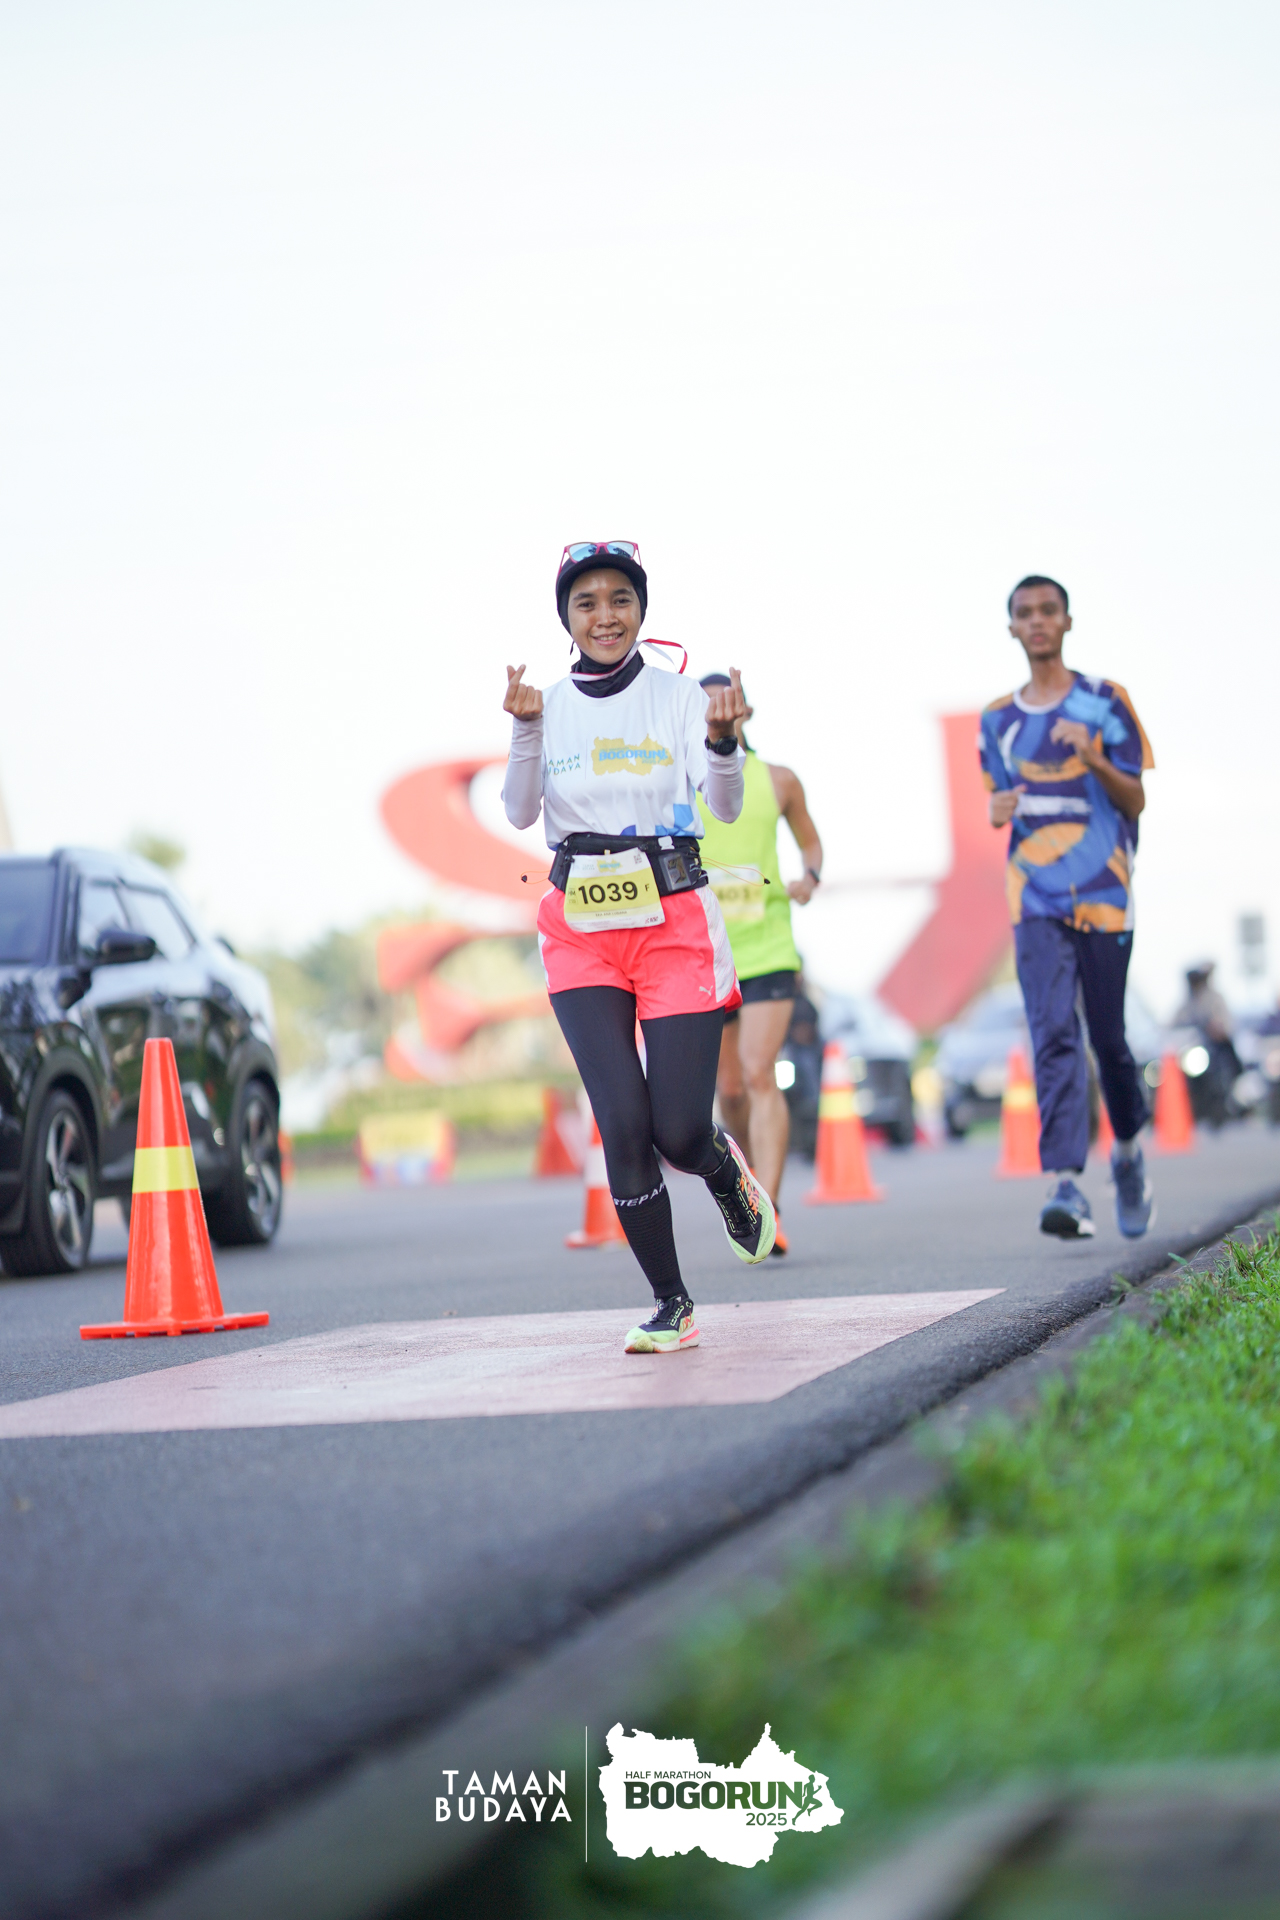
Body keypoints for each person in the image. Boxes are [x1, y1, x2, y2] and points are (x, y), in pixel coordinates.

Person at [502, 541, 776, 1354]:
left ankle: (722, 1170)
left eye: (620, 599)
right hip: (580, 932)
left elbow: (724, 807)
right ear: (567, 619)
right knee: (622, 1123)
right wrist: (523, 730)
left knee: (679, 1132)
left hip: (673, 925)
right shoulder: (546, 705)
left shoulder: (682, 697)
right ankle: (671, 1303)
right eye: (586, 603)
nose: (605, 616)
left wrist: (722, 743)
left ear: (641, 610)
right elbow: (520, 811)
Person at [980, 575, 1155, 1240]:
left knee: (1108, 1040)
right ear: (1012, 628)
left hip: (1105, 893)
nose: (1037, 621)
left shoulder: (1105, 701)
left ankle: (1128, 1154)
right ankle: (1065, 1185)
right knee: (1052, 1031)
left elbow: (1135, 799)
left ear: (1067, 621)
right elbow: (1000, 802)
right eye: (1025, 613)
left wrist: (1094, 760)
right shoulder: (998, 720)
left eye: (1048, 610)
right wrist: (996, 810)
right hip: (1034, 895)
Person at [694, 673, 823, 1254]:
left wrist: (809, 877)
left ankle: (768, 1206)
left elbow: (811, 843)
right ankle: (747, 1185)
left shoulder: (779, 780)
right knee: (729, 1090)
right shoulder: (682, 781)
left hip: (769, 949)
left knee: (757, 1072)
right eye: (705, 707)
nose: (718, 714)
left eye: (727, 704)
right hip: (708, 952)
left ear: (744, 711)